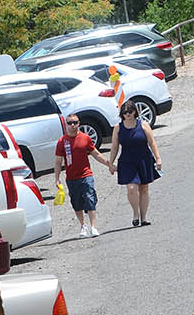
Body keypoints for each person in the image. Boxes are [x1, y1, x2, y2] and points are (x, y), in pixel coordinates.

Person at [53, 113, 110, 238]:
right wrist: (57, 178)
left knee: (90, 198)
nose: (73, 125)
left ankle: (93, 226)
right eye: (70, 123)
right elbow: (58, 162)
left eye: (75, 122)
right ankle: (83, 225)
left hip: (86, 175)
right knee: (76, 202)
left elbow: (96, 154)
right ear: (66, 125)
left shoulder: (85, 138)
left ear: (79, 123)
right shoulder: (62, 142)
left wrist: (109, 164)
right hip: (72, 178)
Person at [107, 99, 162, 228]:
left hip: (143, 159)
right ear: (122, 113)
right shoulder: (118, 128)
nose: (128, 114)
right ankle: (135, 214)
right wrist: (111, 163)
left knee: (144, 188)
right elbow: (114, 147)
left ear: (135, 112)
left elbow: (152, 142)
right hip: (127, 161)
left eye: (130, 112)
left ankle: (144, 218)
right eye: (125, 112)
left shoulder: (143, 125)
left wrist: (158, 158)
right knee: (131, 188)